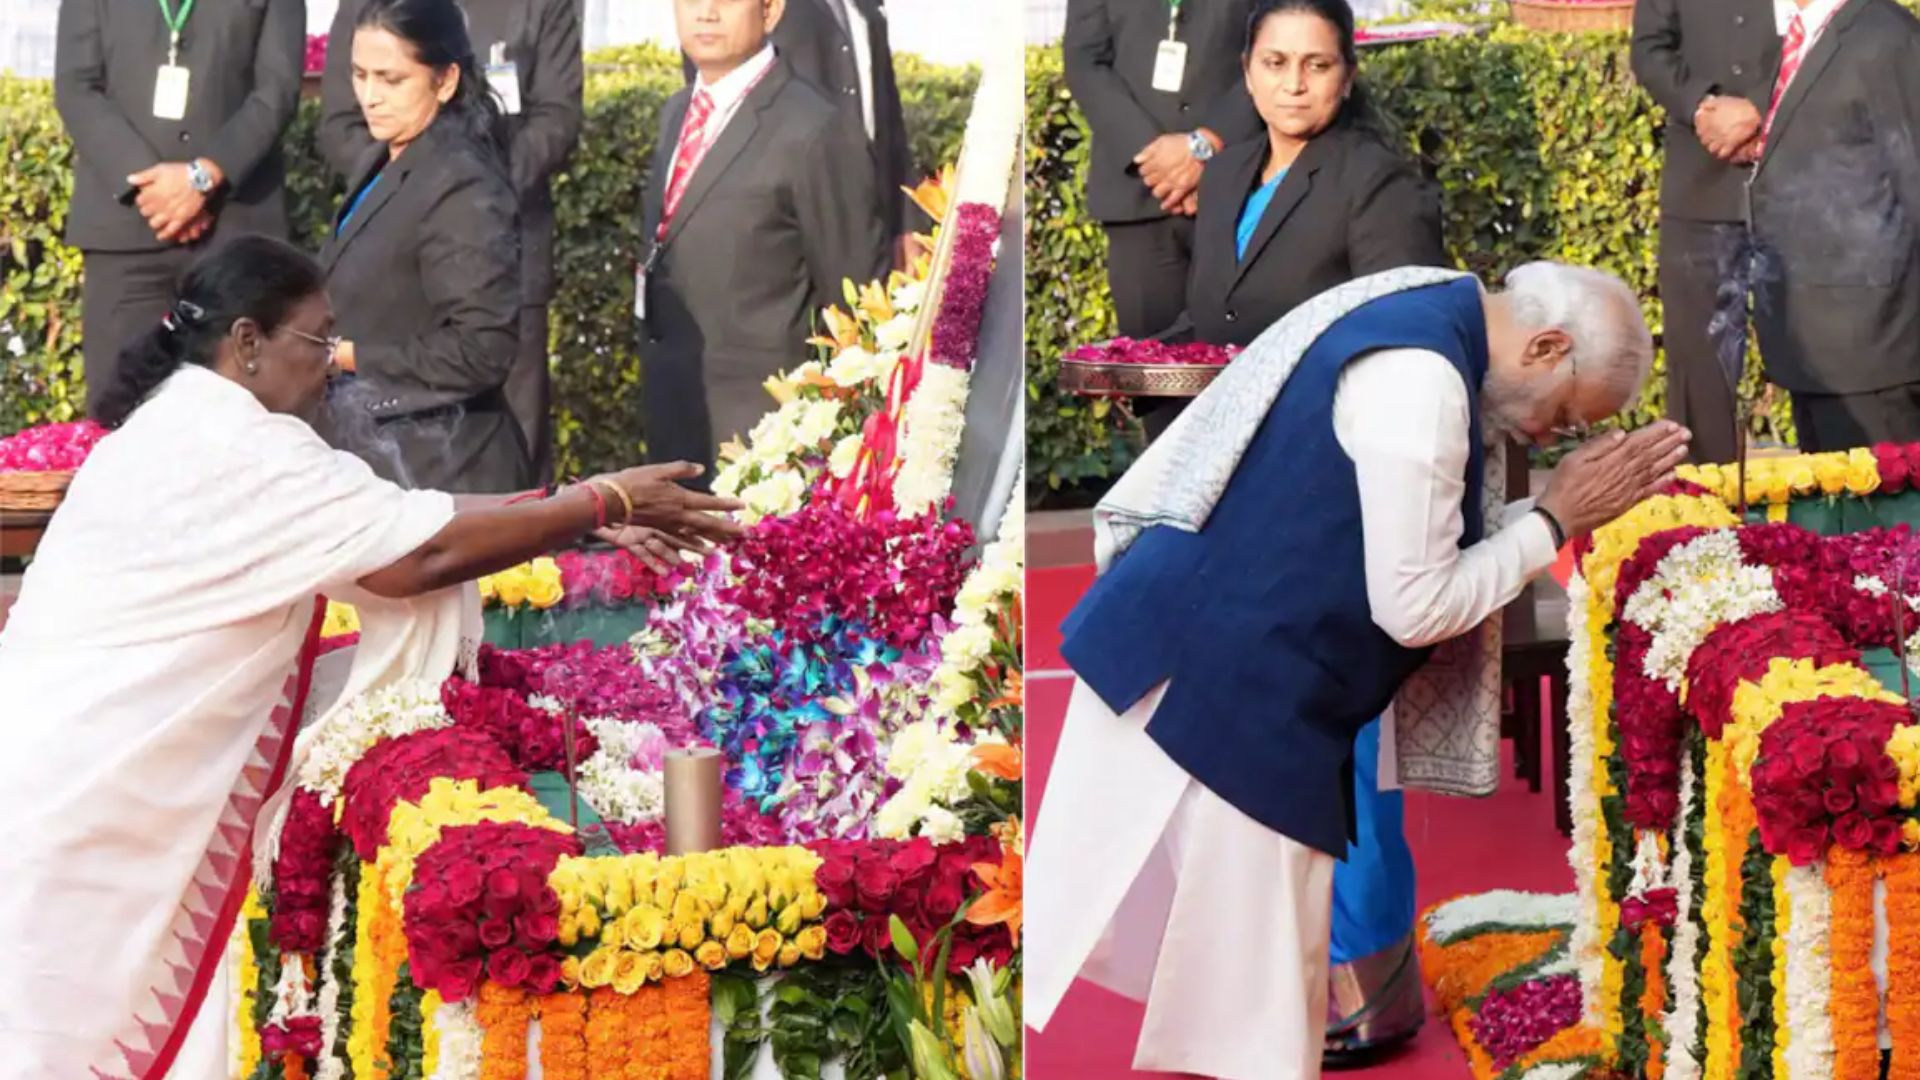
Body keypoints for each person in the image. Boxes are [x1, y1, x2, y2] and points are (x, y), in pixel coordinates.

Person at [0, 236, 742, 1079]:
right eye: (317, 341)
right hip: (87, 799)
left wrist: (576, 509)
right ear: (248, 343)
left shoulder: (187, 417)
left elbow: (401, 515)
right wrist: (595, 499)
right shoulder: (238, 444)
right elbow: (411, 555)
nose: (331, 366)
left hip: (53, 764)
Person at [1025, 261, 1691, 1080]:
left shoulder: (1432, 307)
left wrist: (1547, 515)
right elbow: (1414, 605)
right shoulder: (1421, 384)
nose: (1547, 439)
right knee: (1261, 1019)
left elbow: (1420, 542)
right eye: (1562, 415)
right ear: (1547, 345)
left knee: (1251, 1000)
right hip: (1223, 687)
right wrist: (1554, 520)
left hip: (1222, 659)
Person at [320, 0, 585, 488]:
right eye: (360, 75)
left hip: (448, 475)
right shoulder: (387, 158)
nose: (370, 96)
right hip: (391, 463)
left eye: (391, 79)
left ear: (445, 80)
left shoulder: (463, 184)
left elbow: (480, 349)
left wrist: (347, 355)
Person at [639, 0, 888, 480]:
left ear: (770, 10)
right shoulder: (677, 113)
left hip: (765, 439)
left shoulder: (816, 128)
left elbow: (855, 305)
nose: (705, 13)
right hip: (675, 419)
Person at [53, 0, 304, 418]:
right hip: (125, 231)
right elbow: (77, 86)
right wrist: (153, 186)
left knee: (248, 412)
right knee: (121, 413)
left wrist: (205, 177)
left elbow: (277, 89)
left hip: (236, 227)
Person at [1746, 0, 1920, 452]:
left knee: (1886, 519)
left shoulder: (1887, 35)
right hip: (1814, 346)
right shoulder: (1803, 34)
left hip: (1876, 351)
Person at [1630, 0, 1781, 466]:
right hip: (1698, 180)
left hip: (1795, 173)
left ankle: (1843, 519)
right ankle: (1706, 515)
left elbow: (1823, 37)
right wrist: (1703, 105)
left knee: (1820, 346)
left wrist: (1761, 112)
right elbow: (1650, 49)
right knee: (1698, 361)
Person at [1063, 0, 1263, 346]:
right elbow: (1084, 61)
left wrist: (1209, 142)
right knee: (1154, 372)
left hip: (1241, 188)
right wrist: (1154, 155)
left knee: (1249, 363)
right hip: (1138, 197)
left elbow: (1279, 46)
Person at [686, 0, 920, 265]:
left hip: (872, 222)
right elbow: (716, 97)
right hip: (787, 228)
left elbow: (888, 112)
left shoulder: (867, 5)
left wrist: (907, 219)